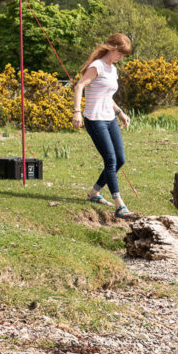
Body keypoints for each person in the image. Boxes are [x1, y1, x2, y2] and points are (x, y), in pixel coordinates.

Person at [71, 33, 137, 219]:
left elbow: (108, 96)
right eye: (121, 54)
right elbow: (79, 86)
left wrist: (120, 113)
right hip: (95, 119)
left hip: (109, 117)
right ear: (113, 49)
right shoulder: (97, 66)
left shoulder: (112, 69)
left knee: (120, 159)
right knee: (110, 160)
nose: (122, 58)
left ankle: (94, 193)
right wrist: (77, 112)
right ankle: (120, 205)